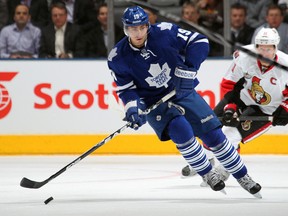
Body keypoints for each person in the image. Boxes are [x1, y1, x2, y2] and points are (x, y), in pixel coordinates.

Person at [107, 5, 262, 198]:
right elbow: (126, 89)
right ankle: (207, 174)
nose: (137, 33)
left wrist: (188, 70)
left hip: (182, 91)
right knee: (181, 131)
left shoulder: (164, 32)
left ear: (147, 25)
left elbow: (199, 41)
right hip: (154, 102)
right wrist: (133, 109)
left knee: (214, 135)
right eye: (132, 28)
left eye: (141, 27)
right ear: (125, 29)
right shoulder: (117, 57)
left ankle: (243, 176)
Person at [181, 27, 288, 182]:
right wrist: (231, 106)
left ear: (275, 48)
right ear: (256, 47)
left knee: (232, 135)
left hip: (267, 108)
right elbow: (228, 84)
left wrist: (285, 109)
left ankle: (224, 169)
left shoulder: (285, 66)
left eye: (269, 49)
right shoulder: (244, 56)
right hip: (241, 98)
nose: (265, 53)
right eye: (261, 48)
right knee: (210, 125)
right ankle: (206, 160)